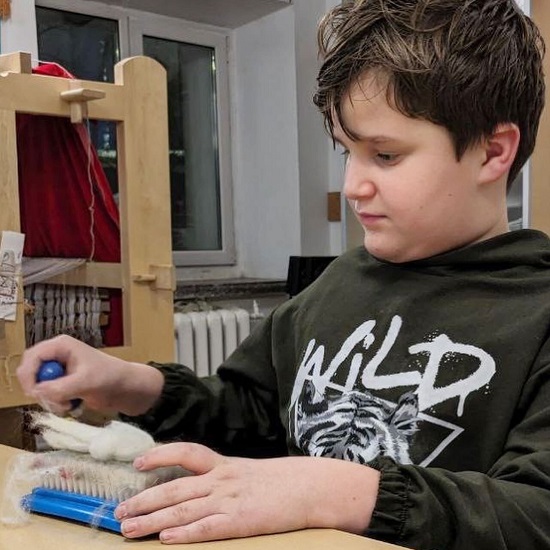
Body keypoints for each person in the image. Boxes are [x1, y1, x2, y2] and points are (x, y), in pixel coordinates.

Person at [16, 0, 550, 548]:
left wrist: (334, 492)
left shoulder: (537, 314)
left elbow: (535, 512)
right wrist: (129, 385)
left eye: (386, 155)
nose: (353, 186)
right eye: (347, 152)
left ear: (492, 152)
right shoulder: (338, 284)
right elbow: (250, 411)